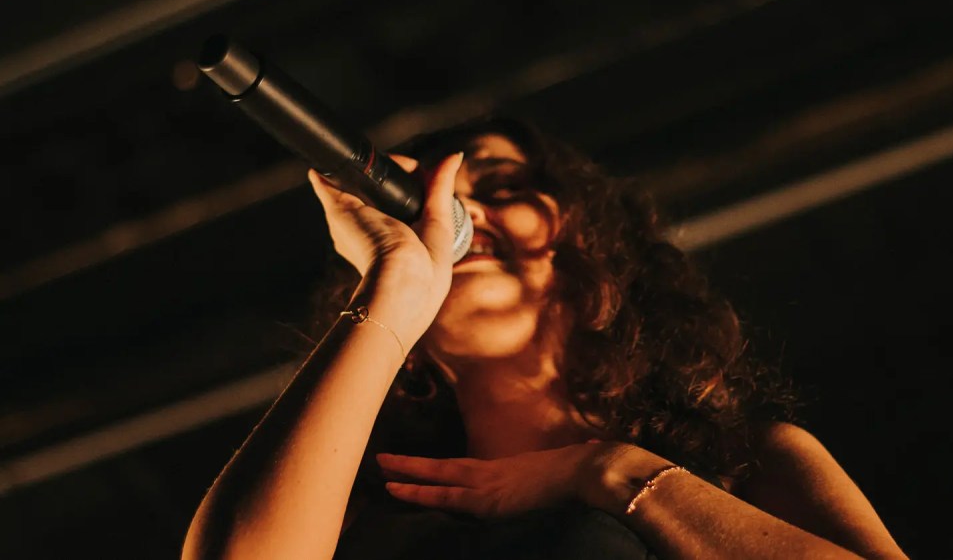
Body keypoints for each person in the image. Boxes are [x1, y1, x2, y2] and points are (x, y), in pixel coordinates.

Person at [182, 118, 908, 559]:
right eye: (435, 199)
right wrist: (398, 281)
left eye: (496, 183)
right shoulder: (371, 514)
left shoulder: (747, 461)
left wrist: (616, 474)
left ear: (579, 239)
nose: (458, 207)